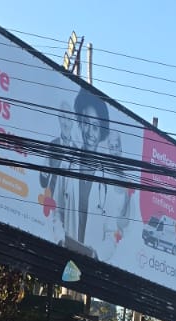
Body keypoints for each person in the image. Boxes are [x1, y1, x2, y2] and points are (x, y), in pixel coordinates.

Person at [39, 90, 128, 262]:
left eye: (95, 127)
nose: (90, 132)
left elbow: (111, 233)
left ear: (101, 132)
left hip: (91, 266)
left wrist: (96, 254)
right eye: (86, 123)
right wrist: (60, 240)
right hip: (63, 257)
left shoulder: (107, 180)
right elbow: (57, 212)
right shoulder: (67, 163)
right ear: (79, 122)